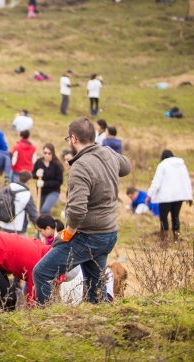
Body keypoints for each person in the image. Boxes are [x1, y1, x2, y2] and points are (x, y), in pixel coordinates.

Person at [33, 118, 131, 305]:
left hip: (89, 236)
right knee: (95, 293)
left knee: (42, 272)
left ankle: (46, 322)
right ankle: (100, 324)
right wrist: (107, 157)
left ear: (74, 139)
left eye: (68, 139)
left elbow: (77, 210)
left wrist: (67, 233)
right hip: (108, 233)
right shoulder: (107, 153)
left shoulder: (80, 166)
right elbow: (126, 166)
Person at [147, 150, 192, 244]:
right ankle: (176, 239)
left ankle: (164, 242)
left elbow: (156, 181)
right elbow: (186, 180)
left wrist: (150, 194)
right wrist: (189, 195)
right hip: (179, 196)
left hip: (166, 197)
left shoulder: (163, 165)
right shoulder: (181, 165)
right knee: (175, 217)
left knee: (163, 218)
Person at [0, 171, 39, 236]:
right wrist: (40, 227)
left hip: (3, 225)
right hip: (19, 229)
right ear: (29, 181)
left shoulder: (5, 189)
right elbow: (33, 214)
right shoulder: (26, 194)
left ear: (18, 178)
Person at [32, 143, 64, 215]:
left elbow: (59, 181)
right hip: (41, 192)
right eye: (45, 153)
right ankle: (48, 225)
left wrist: (45, 184)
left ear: (52, 153)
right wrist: (36, 174)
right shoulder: (39, 162)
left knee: (45, 210)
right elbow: (33, 174)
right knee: (41, 213)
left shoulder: (57, 165)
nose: (47, 155)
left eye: (49, 153)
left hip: (53, 191)